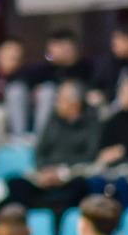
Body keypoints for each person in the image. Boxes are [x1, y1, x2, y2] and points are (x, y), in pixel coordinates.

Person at [11, 80, 101, 212]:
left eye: (61, 99)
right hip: (46, 175)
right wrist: (47, 170)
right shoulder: (53, 119)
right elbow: (39, 153)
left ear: (75, 104)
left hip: (72, 175)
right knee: (16, 184)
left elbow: (90, 156)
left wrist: (61, 171)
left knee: (80, 186)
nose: (56, 103)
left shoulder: (92, 123)